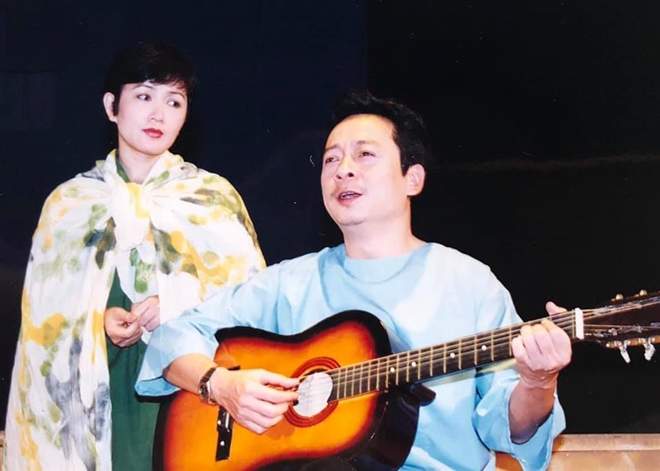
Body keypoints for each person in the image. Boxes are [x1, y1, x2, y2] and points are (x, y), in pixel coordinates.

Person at [136, 91, 572, 470]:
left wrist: (538, 382)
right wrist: (222, 385)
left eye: (364, 155)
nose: (343, 169)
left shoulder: (469, 284)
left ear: (413, 179)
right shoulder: (290, 283)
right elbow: (173, 337)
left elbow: (512, 429)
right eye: (331, 159)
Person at [3, 41, 265, 471]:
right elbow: (42, 326)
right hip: (99, 384)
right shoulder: (69, 203)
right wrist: (99, 319)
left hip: (191, 389)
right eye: (144, 96)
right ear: (112, 106)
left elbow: (252, 300)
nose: (158, 114)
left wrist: (176, 304)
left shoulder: (213, 198)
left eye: (174, 101)